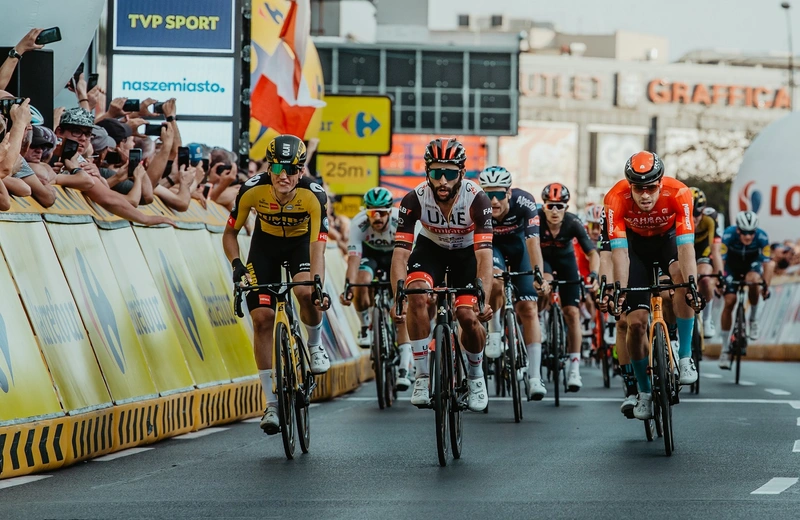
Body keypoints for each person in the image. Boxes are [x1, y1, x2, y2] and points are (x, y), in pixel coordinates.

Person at [223, 134, 331, 435]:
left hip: (301, 247)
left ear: (302, 170)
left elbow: (317, 248)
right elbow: (230, 234)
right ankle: (271, 404)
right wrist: (236, 266)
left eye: (293, 169)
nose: (285, 175)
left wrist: (316, 284)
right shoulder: (251, 190)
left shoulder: (314, 195)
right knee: (262, 319)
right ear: (269, 167)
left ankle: (314, 344)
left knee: (304, 292)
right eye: (279, 168)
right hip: (265, 247)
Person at [391, 137, 494, 412]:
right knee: (415, 295)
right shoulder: (414, 198)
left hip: (467, 254)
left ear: (462, 172)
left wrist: (483, 297)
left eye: (449, 173)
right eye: (436, 173)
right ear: (428, 173)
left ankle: (475, 377)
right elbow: (401, 253)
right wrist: (397, 297)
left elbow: (484, 256)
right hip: (431, 249)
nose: (443, 181)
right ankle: (422, 375)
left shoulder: (477, 198)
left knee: (467, 316)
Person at [604, 151, 704, 421]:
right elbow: (620, 253)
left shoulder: (679, 193)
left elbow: (686, 247)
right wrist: (620, 291)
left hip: (667, 242)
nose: (645, 195)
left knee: (681, 279)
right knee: (635, 323)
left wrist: (691, 283)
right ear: (630, 186)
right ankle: (644, 393)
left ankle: (684, 357)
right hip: (635, 250)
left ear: (661, 183)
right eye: (638, 188)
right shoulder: (615, 198)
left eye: (651, 188)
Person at [478, 165, 548, 400]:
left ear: (509, 192)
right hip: (492, 248)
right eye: (489, 194)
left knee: (528, 308)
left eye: (499, 194)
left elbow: (533, 242)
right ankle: (495, 330)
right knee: (495, 278)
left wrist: (538, 274)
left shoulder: (525, 202)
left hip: (520, 247)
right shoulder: (477, 206)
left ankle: (535, 378)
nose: (494, 200)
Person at [341, 187, 413, 391]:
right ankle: (365, 326)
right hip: (370, 256)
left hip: (396, 256)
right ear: (367, 212)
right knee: (361, 280)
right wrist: (349, 286)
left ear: (391, 211)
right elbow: (353, 260)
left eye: (382, 212)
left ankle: (404, 368)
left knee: (400, 309)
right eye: (373, 212)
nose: (378, 217)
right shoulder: (359, 223)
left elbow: (410, 258)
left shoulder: (402, 221)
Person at [538, 183, 599, 392]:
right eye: (550, 206)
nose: (555, 211)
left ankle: (574, 369)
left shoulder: (573, 222)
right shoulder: (535, 220)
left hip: (566, 264)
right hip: (543, 262)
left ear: (566, 207)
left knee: (572, 313)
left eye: (560, 206)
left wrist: (593, 274)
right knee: (543, 283)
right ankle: (540, 321)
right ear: (544, 206)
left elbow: (591, 252)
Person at [717, 211, 773, 369]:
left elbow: (769, 263)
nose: (748, 237)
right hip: (731, 267)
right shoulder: (728, 235)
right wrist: (719, 280)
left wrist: (766, 286)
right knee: (729, 302)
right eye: (744, 232)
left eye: (751, 233)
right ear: (738, 230)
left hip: (751, 266)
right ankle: (724, 348)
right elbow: (720, 259)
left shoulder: (762, 237)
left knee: (754, 281)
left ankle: (753, 320)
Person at [689, 188, 724, 339]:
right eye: (690, 214)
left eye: (697, 214)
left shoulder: (711, 217)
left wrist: (719, 276)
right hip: (685, 247)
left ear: (703, 210)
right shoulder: (676, 218)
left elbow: (715, 251)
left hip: (703, 248)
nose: (694, 218)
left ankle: (707, 319)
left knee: (704, 278)